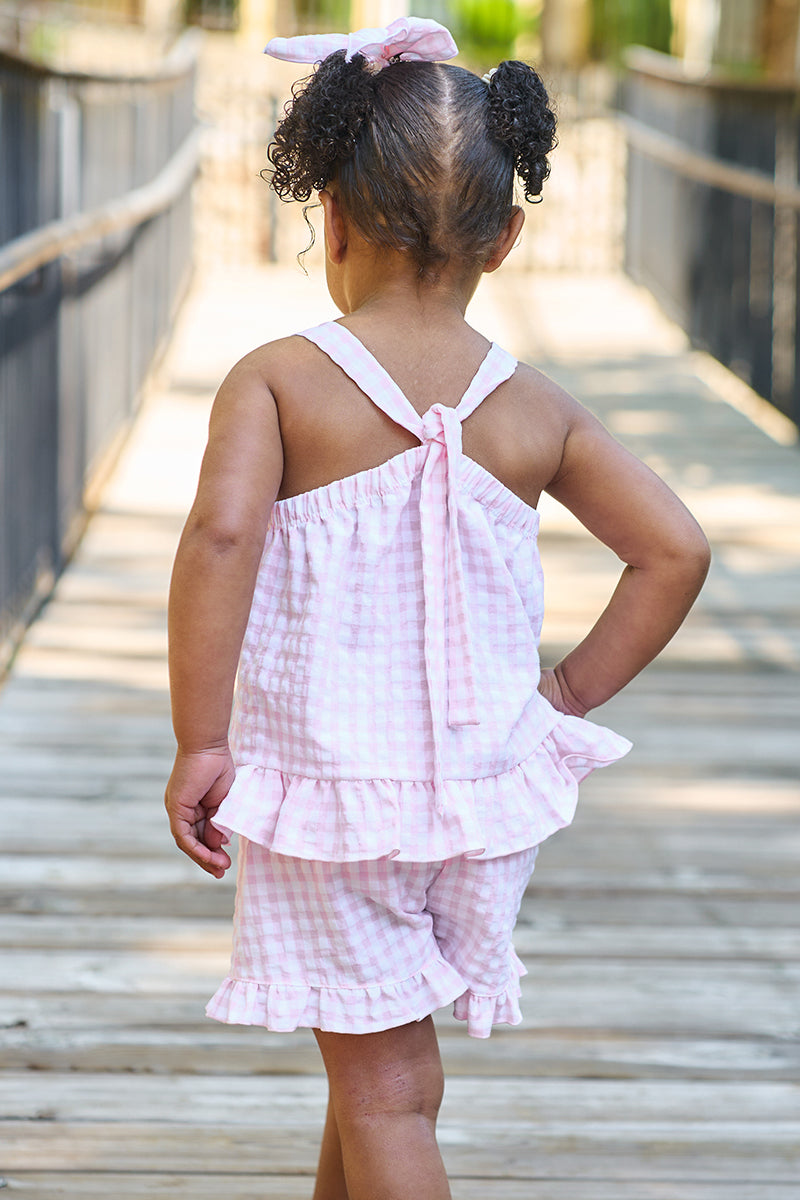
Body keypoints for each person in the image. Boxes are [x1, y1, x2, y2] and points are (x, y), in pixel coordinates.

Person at [165, 17, 710, 1200]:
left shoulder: (278, 380)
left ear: (335, 219)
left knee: (385, 1085)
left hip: (331, 797)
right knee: (381, 1059)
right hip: (481, 795)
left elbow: (219, 538)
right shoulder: (530, 406)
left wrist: (203, 739)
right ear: (505, 238)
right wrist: (556, 697)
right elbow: (671, 549)